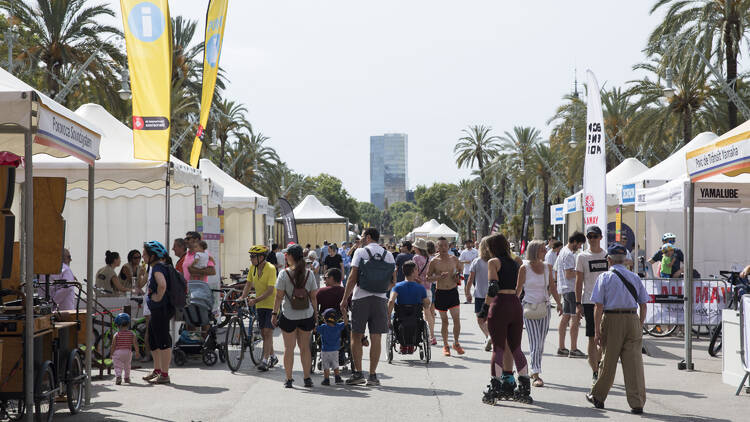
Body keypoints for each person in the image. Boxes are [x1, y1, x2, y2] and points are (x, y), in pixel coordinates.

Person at [585, 244, 649, 414]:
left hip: (612, 318)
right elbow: (643, 305)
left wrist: (597, 331)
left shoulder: (605, 277)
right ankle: (637, 403)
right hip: (632, 318)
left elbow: (598, 307)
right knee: (634, 363)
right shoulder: (635, 277)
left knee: (609, 360)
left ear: (609, 259)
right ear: (625, 259)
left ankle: (598, 396)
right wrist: (639, 324)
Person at [480, 233, 532, 404]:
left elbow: (493, 287)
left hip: (500, 304)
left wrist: (484, 309)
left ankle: (495, 388)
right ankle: (524, 387)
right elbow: (521, 288)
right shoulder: (518, 262)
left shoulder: (493, 262)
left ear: (492, 247)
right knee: (516, 347)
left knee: (498, 348)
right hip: (516, 305)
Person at [339, 228, 396, 386]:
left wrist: (344, 299)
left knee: (356, 336)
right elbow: (393, 282)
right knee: (376, 336)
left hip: (361, 298)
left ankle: (358, 374)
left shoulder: (360, 252)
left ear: (369, 237)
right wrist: (381, 289)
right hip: (380, 300)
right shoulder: (389, 255)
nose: (361, 239)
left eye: (363, 236)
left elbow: (352, 277)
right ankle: (372, 376)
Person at [516, 240, 563, 388]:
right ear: (535, 251)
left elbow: (553, 288)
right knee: (535, 341)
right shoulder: (524, 268)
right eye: (543, 249)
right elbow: (518, 290)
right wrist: (513, 306)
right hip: (528, 308)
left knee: (540, 342)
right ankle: (536, 374)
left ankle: (534, 367)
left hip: (545, 308)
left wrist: (559, 304)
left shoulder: (547, 267)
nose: (546, 251)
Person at [272, 244, 318, 388]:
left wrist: (274, 313)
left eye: (287, 254)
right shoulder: (309, 274)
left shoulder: (283, 274)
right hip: (306, 315)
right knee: (305, 348)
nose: (285, 256)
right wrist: (315, 314)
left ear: (291, 256)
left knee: (289, 348)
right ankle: (306, 378)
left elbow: (279, 297)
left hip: (289, 316)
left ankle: (289, 379)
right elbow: (314, 297)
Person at [576, 226, 609, 384]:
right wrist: (578, 303)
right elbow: (578, 281)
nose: (592, 239)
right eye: (589, 236)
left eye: (595, 236)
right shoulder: (582, 256)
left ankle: (602, 367)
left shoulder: (607, 255)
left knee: (605, 338)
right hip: (589, 301)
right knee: (591, 338)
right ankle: (595, 371)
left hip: (607, 302)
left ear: (601, 237)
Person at [239, 245, 278, 371]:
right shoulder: (253, 268)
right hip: (260, 304)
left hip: (272, 303)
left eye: (253, 256)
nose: (251, 259)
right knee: (264, 333)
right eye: (250, 256)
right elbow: (248, 284)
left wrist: (255, 300)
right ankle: (273, 356)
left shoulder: (271, 268)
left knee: (267, 332)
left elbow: (270, 290)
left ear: (261, 257)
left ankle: (265, 361)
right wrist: (242, 298)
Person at [141, 241, 174, 384]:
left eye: (145, 254)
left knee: (163, 341)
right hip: (158, 309)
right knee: (154, 340)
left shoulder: (157, 269)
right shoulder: (157, 267)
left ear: (153, 256)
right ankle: (157, 370)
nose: (143, 257)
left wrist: (157, 298)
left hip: (161, 309)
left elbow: (162, 285)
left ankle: (165, 374)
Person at [427, 237, 464, 356]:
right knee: (445, 321)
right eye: (440, 246)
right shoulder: (434, 261)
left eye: (445, 245)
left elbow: (460, 271)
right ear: (437, 247)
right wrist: (438, 277)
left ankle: (456, 343)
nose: (443, 248)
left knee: (456, 319)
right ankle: (446, 345)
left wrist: (458, 276)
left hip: (453, 291)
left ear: (449, 246)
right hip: (441, 292)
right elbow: (428, 277)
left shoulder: (454, 259)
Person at [388, 260, 431, 354]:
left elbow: (391, 301)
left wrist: (387, 318)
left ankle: (403, 345)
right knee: (418, 323)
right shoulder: (420, 288)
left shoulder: (397, 286)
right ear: (413, 271)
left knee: (397, 322)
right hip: (416, 317)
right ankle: (412, 345)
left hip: (401, 317)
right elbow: (427, 304)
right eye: (416, 269)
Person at [557, 231, 586, 358]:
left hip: (564, 289)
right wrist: (581, 272)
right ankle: (573, 348)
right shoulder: (568, 254)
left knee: (566, 317)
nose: (580, 247)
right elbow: (569, 274)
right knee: (575, 318)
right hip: (571, 289)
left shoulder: (563, 251)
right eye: (579, 244)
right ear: (574, 242)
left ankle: (561, 347)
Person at [466, 237, 492, 352]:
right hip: (493, 295)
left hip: (480, 294)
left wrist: (467, 292)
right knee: (491, 318)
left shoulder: (477, 261)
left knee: (480, 319)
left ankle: (488, 336)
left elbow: (470, 279)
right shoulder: (495, 261)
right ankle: (491, 337)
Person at [412, 239, 437, 345]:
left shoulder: (416, 258)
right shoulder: (429, 259)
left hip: (417, 288)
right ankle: (432, 336)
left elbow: (414, 273)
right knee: (428, 312)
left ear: (418, 248)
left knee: (414, 312)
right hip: (428, 288)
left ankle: (415, 333)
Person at [317, 308, 347, 386]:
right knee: (335, 365)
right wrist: (344, 313)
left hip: (325, 351)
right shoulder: (338, 326)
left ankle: (326, 379)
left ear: (325, 319)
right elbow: (346, 323)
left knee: (326, 366)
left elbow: (315, 329)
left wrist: (316, 320)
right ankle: (337, 378)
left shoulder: (323, 327)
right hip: (335, 350)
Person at [111, 313, 140, 385]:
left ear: (117, 325)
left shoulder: (116, 334)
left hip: (118, 352)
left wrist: (111, 353)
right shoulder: (132, 333)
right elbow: (135, 344)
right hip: (128, 352)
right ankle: (127, 378)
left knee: (117, 365)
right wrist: (137, 352)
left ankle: (118, 376)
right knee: (127, 365)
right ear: (128, 324)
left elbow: (113, 345)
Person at [459, 239, 479, 303]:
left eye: (469, 243)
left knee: (476, 285)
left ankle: (477, 298)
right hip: (467, 272)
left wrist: (475, 260)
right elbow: (460, 261)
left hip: (475, 271)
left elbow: (479, 258)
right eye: (467, 243)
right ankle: (468, 299)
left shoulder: (476, 251)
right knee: (466, 286)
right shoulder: (464, 252)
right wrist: (466, 261)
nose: (468, 245)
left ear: (472, 244)